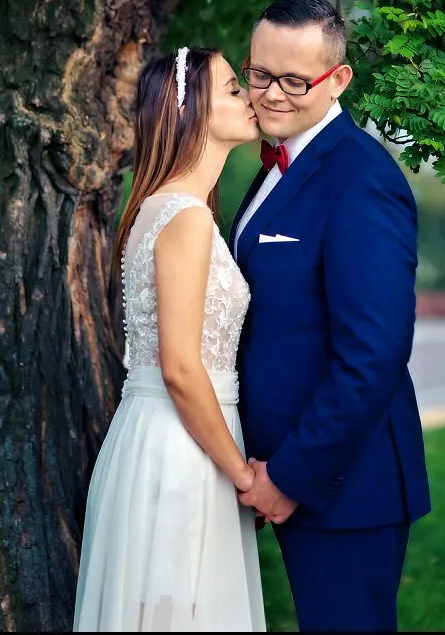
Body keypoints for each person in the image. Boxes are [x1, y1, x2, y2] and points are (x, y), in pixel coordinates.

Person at [229, 0, 431, 631]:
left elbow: (371, 355)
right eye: (260, 75)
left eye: (295, 80)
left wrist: (288, 475)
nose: (272, 95)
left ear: (339, 78)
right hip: (286, 465)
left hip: (346, 481)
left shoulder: (360, 177)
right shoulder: (274, 165)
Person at [74, 47, 266, 630]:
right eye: (234, 88)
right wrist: (242, 474)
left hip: (164, 435)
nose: (251, 96)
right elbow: (180, 366)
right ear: (192, 112)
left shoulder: (160, 209)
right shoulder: (184, 217)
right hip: (185, 448)